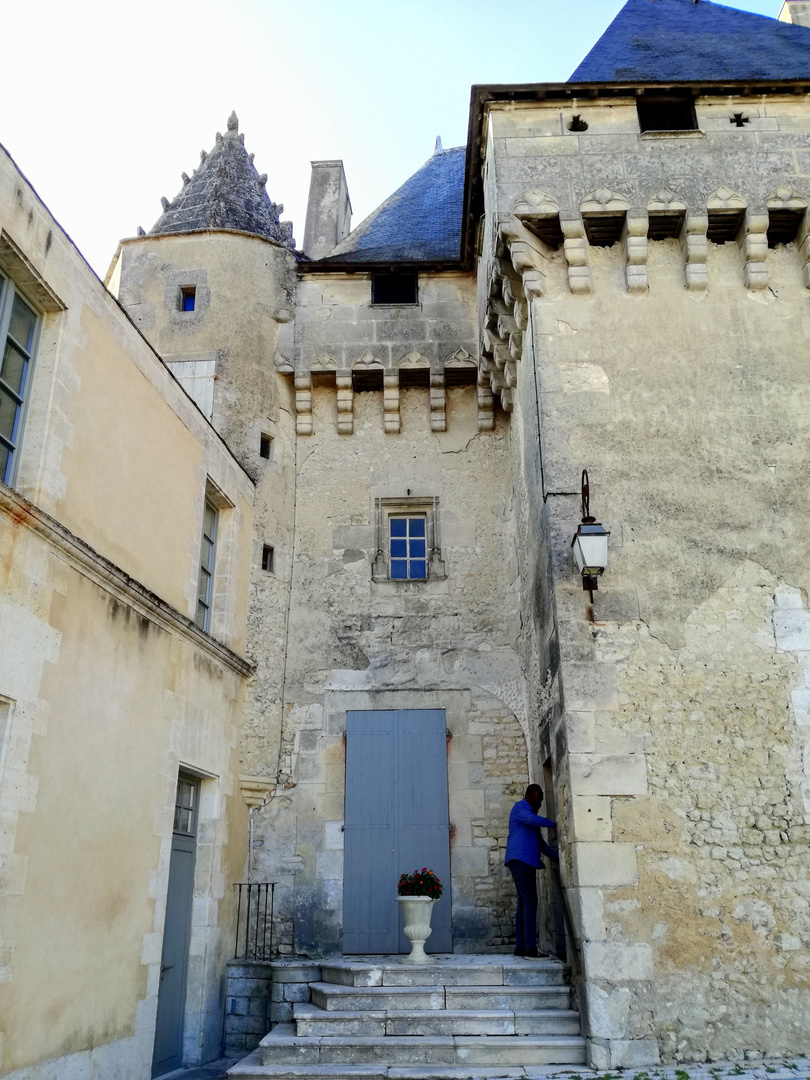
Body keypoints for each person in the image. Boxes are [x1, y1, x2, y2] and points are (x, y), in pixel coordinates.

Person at [505, 784, 559, 957]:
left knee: (524, 903)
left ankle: (521, 947)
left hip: (526, 863)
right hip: (520, 862)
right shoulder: (520, 808)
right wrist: (552, 824)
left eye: (541, 801)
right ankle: (529, 948)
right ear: (529, 797)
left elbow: (541, 844)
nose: (540, 804)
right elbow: (531, 820)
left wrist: (558, 856)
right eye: (538, 801)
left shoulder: (532, 817)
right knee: (530, 902)